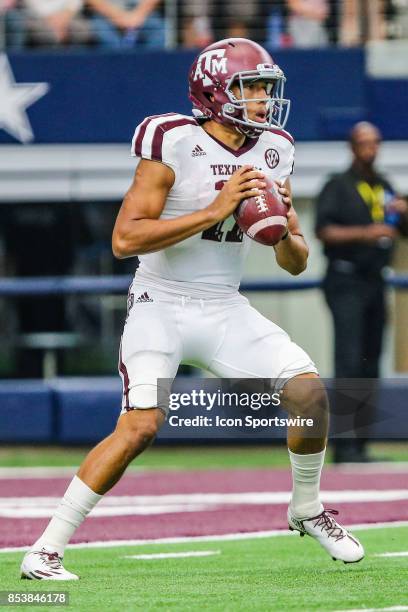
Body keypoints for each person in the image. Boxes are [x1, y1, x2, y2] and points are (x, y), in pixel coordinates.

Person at [20, 37, 364, 580]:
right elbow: (125, 239)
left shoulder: (274, 148)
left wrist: (280, 230)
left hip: (224, 306)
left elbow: (295, 262)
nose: (262, 100)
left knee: (309, 393)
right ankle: (46, 548)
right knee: (140, 426)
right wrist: (215, 209)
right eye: (249, 88)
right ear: (213, 92)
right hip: (162, 303)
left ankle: (307, 507)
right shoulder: (172, 140)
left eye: (266, 89)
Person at [315, 121, 407, 463]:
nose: (371, 149)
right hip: (346, 280)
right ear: (352, 147)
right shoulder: (337, 186)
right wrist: (367, 233)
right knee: (349, 360)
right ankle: (344, 446)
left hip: (374, 281)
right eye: (365, 143)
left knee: (370, 362)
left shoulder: (383, 185)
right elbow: (323, 231)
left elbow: (399, 232)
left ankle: (362, 445)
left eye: (375, 142)